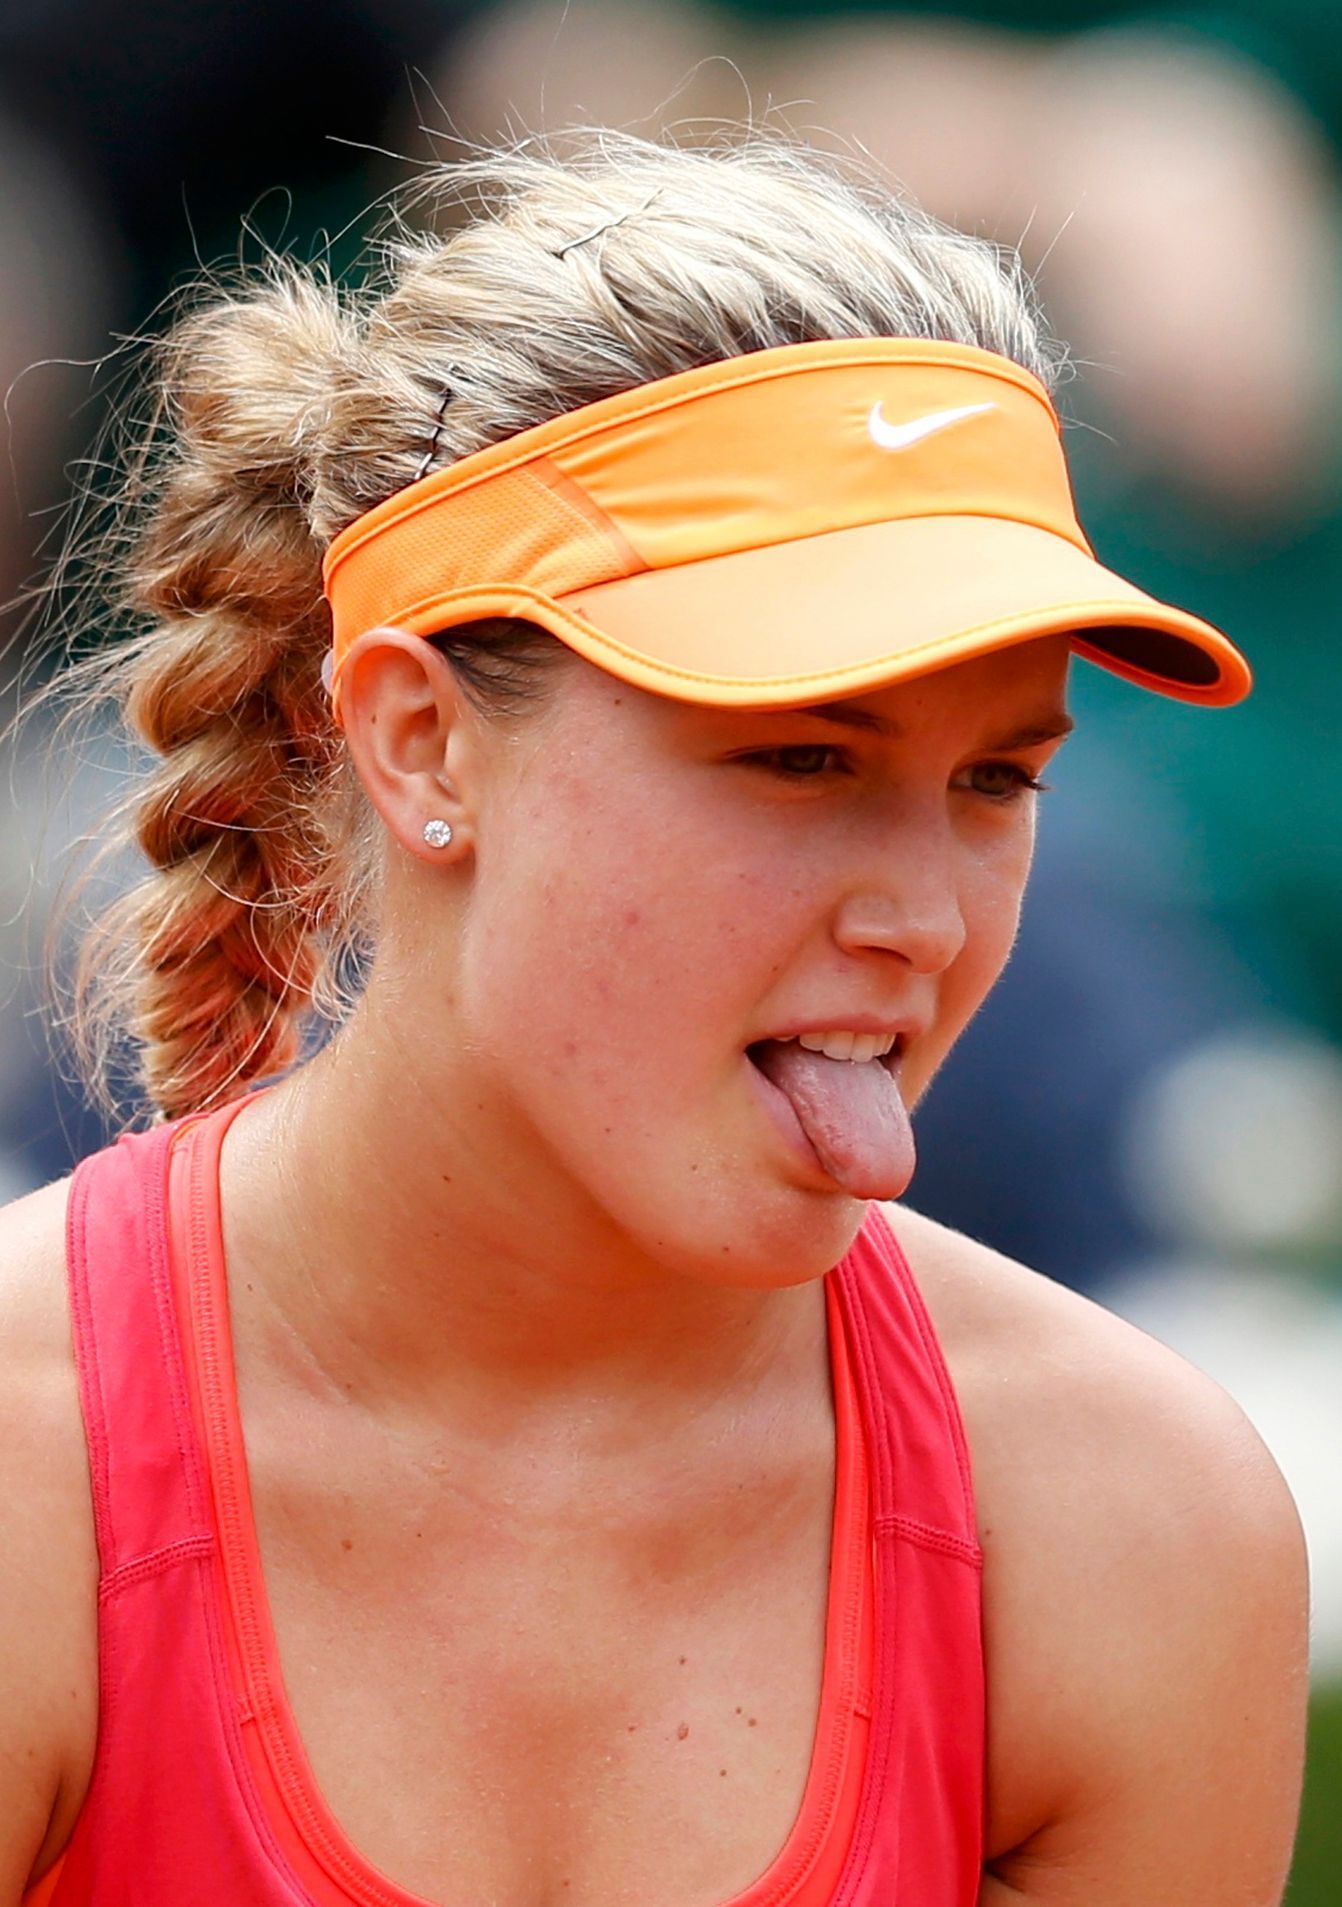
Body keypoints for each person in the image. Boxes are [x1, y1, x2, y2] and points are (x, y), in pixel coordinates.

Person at [0, 125, 1308, 1906]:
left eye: (994, 781)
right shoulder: (28, 1476)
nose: (920, 916)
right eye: (796, 757)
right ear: (419, 741)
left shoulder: (1129, 1526)